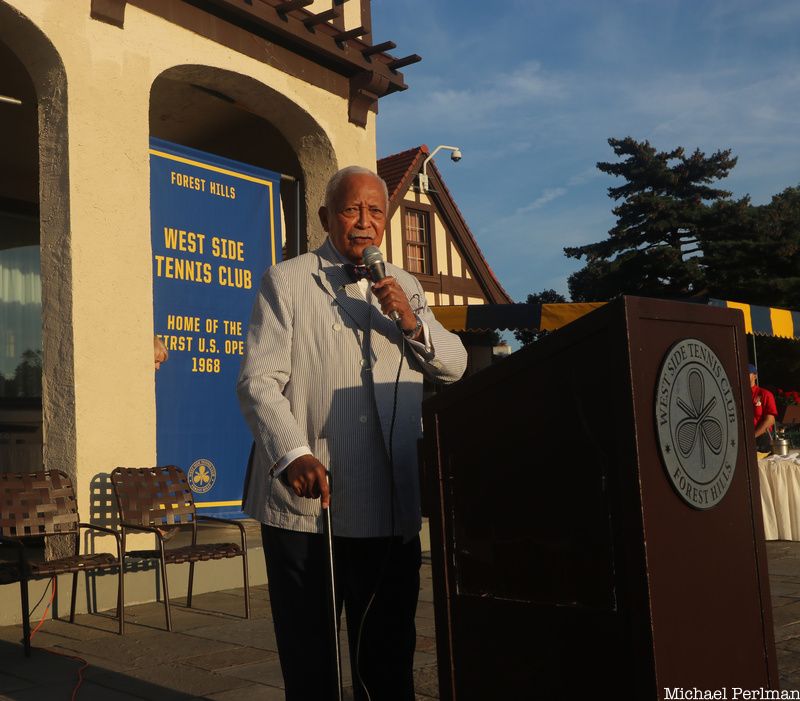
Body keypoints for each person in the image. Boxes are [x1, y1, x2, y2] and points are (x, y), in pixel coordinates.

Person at [237, 166, 467, 700]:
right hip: (309, 508)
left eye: (375, 212)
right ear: (325, 217)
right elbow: (258, 382)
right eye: (351, 210)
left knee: (387, 655)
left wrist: (411, 322)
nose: (364, 223)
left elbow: (454, 367)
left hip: (389, 506)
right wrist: (293, 453)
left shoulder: (405, 286)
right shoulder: (287, 280)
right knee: (310, 656)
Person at [750, 363, 777, 452]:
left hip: (761, 439)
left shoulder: (765, 394)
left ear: (755, 376)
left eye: (747, 372)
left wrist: (752, 436)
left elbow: (770, 420)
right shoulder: (736, 395)